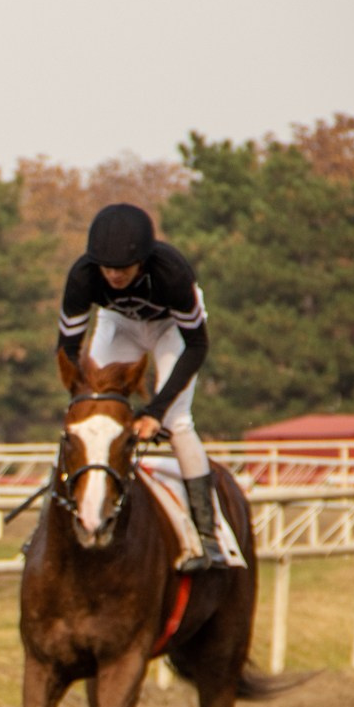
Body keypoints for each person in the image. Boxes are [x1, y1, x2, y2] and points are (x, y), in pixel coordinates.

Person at [56, 203, 227, 571]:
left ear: (143, 261)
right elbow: (68, 348)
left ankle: (208, 539)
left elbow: (197, 346)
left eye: (123, 268)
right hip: (119, 323)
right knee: (91, 417)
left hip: (172, 329)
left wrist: (155, 411)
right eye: (107, 267)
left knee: (178, 423)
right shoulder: (83, 275)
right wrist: (81, 397)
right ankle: (56, 521)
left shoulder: (172, 274)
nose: (114, 275)